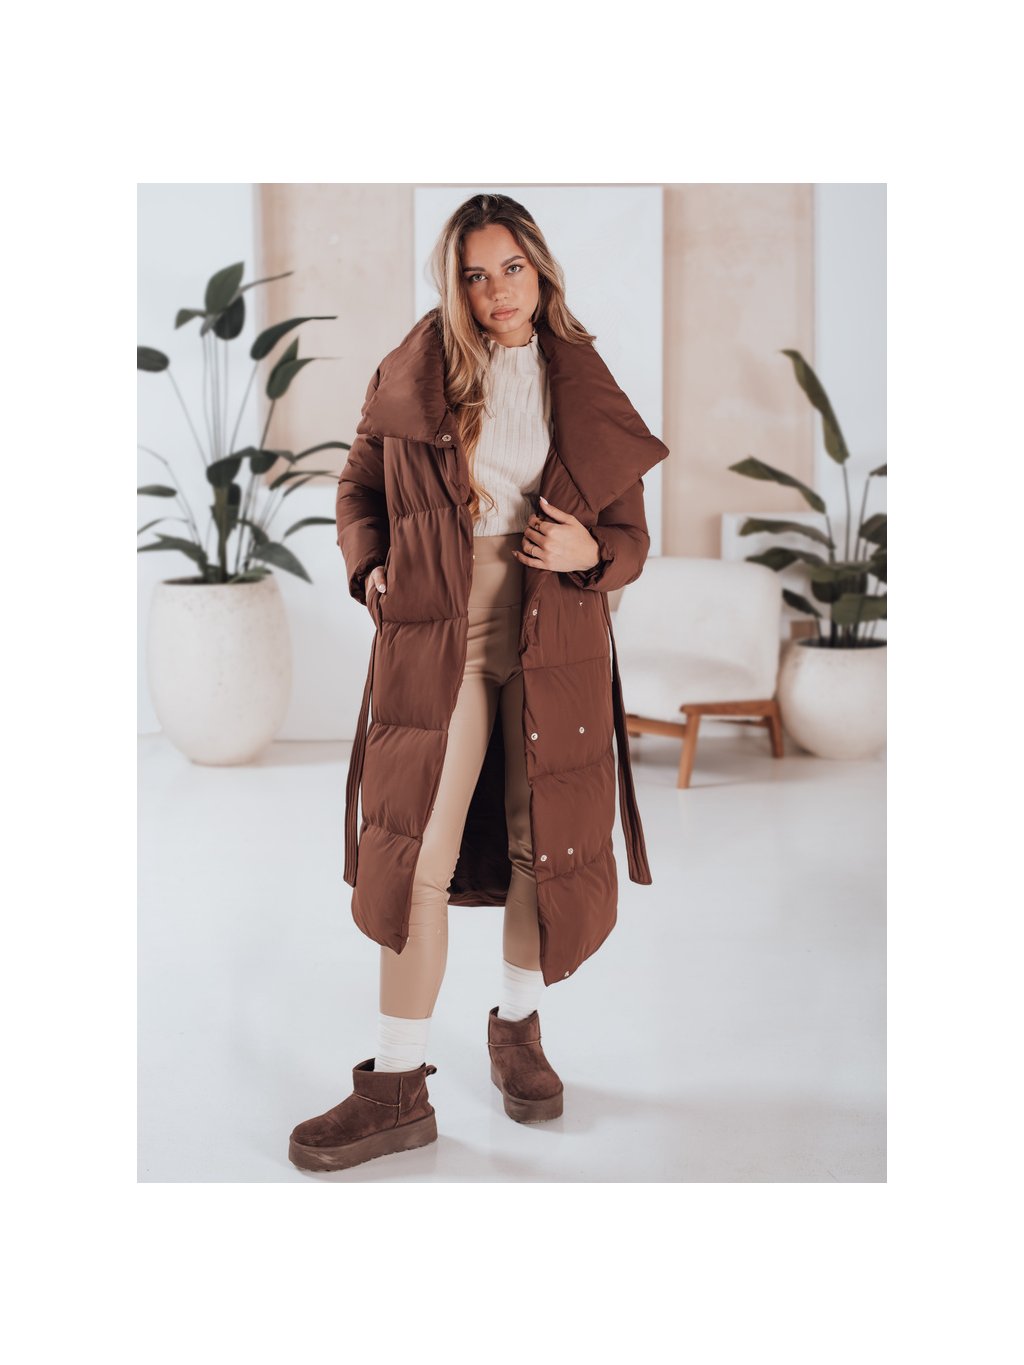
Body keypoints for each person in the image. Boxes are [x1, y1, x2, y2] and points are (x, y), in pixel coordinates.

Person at [289, 193, 668, 1174]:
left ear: (539, 271)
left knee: (544, 839)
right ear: (452, 284)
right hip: (437, 629)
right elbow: (357, 487)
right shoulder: (415, 368)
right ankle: (396, 1087)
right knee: (417, 844)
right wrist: (371, 566)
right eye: (474, 274)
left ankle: (517, 1027)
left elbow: (630, 536)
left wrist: (592, 552)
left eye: (511, 269)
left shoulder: (582, 378)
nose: (497, 291)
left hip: (554, 630)